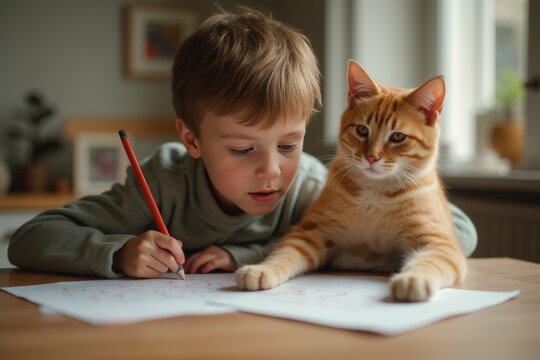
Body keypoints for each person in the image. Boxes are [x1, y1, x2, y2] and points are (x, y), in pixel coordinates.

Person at [8, 7, 477, 279]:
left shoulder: (312, 182)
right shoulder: (165, 181)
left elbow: (459, 232)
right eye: (241, 149)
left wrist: (245, 256)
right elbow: (31, 239)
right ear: (191, 138)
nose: (271, 170)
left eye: (289, 145)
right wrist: (117, 253)